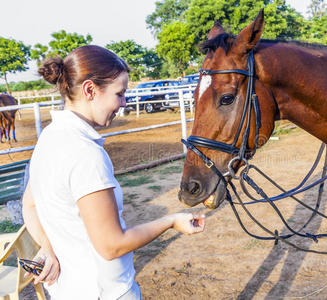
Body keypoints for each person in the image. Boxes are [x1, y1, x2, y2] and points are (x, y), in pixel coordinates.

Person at [22, 45, 205, 300]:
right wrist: (171, 221)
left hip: (68, 290)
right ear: (90, 90)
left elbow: (29, 205)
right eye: (120, 93)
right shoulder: (85, 154)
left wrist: (47, 246)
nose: (124, 102)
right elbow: (111, 245)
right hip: (106, 292)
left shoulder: (49, 138)